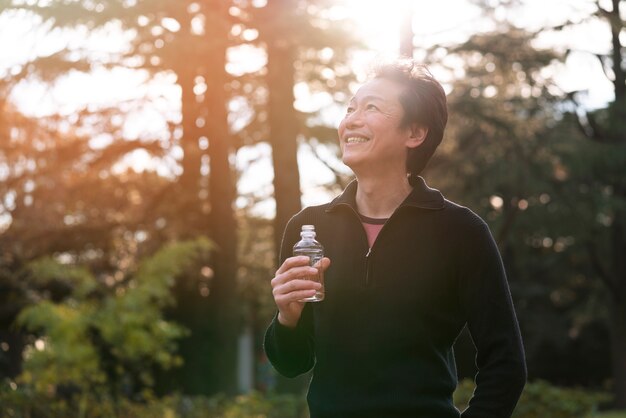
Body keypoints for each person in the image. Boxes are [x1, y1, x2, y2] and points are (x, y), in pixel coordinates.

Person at [264, 59, 527, 418]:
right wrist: (287, 317)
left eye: (372, 107)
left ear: (414, 133)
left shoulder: (461, 232)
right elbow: (292, 363)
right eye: (350, 108)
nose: (351, 120)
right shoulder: (307, 229)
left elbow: (506, 363)